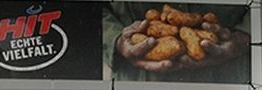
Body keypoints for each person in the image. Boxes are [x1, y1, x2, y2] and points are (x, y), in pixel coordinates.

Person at [102, 2, 250, 83]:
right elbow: (92, 9)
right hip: (137, 84)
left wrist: (245, 35)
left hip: (229, 79)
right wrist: (115, 39)